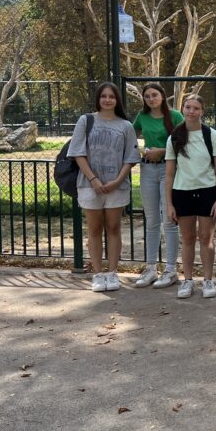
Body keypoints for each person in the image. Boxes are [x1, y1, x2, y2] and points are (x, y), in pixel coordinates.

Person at [70, 82, 140, 293]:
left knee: (113, 227)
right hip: (89, 185)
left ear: (117, 100)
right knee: (94, 228)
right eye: (104, 96)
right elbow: (77, 153)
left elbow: (131, 157)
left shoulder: (125, 126)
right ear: (98, 99)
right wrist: (93, 180)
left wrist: (118, 180)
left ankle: (112, 272)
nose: (107, 100)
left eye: (111, 96)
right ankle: (98, 274)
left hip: (116, 186)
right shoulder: (86, 121)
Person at [165, 95, 216, 300]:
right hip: (182, 192)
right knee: (188, 238)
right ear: (183, 108)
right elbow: (170, 173)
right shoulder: (174, 137)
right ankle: (187, 280)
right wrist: (169, 203)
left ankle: (208, 280)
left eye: (196, 108)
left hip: (207, 191)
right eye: (188, 107)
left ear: (202, 111)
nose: (191, 111)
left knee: (206, 238)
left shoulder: (212, 136)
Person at [132, 83, 183, 289]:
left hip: (169, 169)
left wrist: (161, 150)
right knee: (151, 219)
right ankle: (151, 268)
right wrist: (139, 151)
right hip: (148, 170)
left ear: (162, 96)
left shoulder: (175, 116)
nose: (151, 99)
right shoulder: (141, 117)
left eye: (154, 95)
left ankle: (171, 269)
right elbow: (129, 136)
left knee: (169, 219)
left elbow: (183, 142)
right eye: (147, 96)